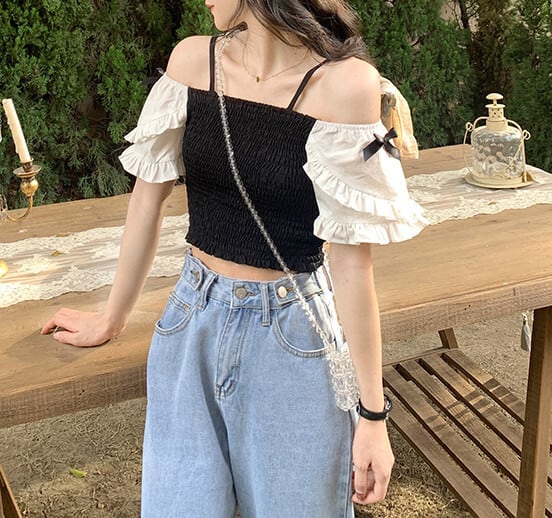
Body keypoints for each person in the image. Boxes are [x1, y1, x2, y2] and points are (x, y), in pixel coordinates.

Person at [42, 1, 426, 516]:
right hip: (190, 325)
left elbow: (353, 266)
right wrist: (112, 316)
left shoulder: (346, 84)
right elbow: (147, 201)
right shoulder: (192, 62)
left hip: (294, 338)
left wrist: (373, 417)